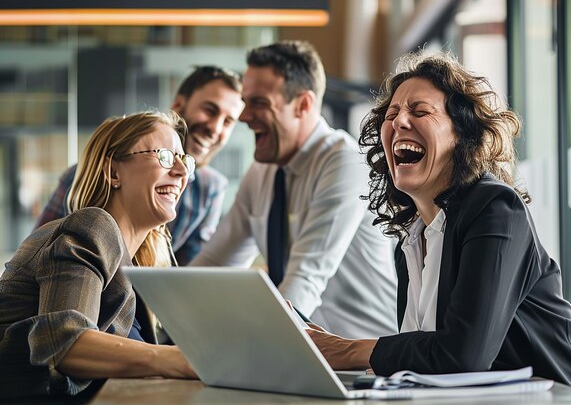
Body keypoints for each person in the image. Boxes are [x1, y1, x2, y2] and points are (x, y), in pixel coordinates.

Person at [306, 51, 571, 400]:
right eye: (392, 114)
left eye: (419, 111)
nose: (397, 122)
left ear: (463, 132)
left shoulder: (496, 208)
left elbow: (463, 356)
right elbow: (423, 362)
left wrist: (346, 350)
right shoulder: (411, 242)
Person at [190, 41, 397, 339]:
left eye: (259, 103)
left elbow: (305, 281)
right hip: (306, 352)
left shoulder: (345, 163)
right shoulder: (262, 171)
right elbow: (212, 267)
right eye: (245, 102)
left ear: (303, 105)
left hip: (365, 365)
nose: (244, 116)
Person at [0, 111, 198, 401]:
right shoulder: (92, 225)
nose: (182, 172)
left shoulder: (137, 262)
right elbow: (63, 341)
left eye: (185, 160)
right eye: (166, 156)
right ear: (114, 172)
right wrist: (179, 360)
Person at [35, 66, 245, 266]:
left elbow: (189, 274)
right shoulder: (89, 177)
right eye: (209, 110)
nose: (215, 128)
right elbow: (37, 255)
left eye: (228, 122)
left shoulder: (211, 188)